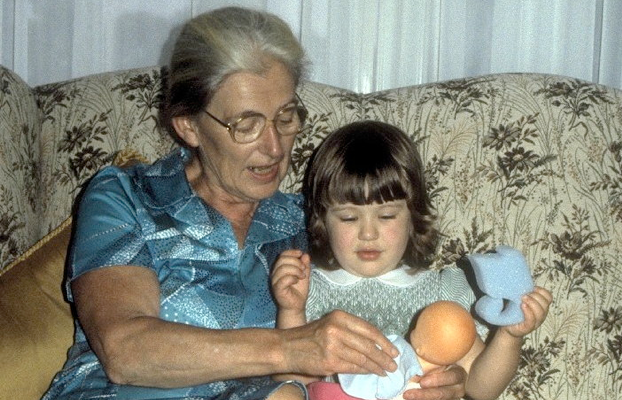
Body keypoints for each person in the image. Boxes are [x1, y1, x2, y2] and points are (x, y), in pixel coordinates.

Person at [42, 7, 407, 400]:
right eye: (246, 125)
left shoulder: (313, 220)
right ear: (189, 126)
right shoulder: (127, 197)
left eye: (286, 117)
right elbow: (125, 352)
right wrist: (290, 348)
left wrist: (423, 373)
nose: (274, 147)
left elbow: (370, 325)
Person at [271, 121, 553, 400]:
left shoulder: (441, 292)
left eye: (386, 216)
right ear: (322, 222)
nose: (368, 233)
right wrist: (292, 309)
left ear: (413, 218)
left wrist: (509, 336)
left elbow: (481, 388)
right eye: (349, 217)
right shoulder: (310, 291)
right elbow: (294, 382)